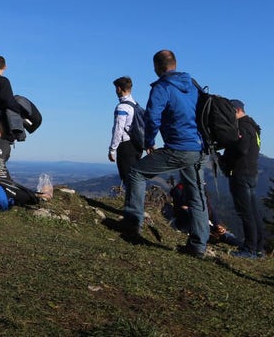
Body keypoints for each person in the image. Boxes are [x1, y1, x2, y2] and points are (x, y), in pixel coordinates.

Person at [121, 50, 210, 257]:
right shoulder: (193, 85)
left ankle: (132, 224)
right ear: (175, 64)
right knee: (196, 196)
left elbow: (153, 117)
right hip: (198, 149)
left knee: (136, 173)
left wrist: (149, 141)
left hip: (178, 147)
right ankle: (198, 246)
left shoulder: (162, 87)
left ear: (157, 67)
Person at [219, 99, 265, 258]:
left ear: (237, 110)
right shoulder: (253, 126)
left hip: (240, 173)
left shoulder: (243, 127)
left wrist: (226, 159)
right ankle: (259, 248)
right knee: (253, 212)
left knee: (245, 212)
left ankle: (249, 249)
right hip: (251, 173)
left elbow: (242, 149)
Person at [108, 76, 143, 189]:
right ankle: (136, 204)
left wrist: (112, 149)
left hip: (125, 145)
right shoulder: (136, 106)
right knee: (136, 176)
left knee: (128, 177)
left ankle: (132, 205)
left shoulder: (122, 107)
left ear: (119, 89)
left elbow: (118, 129)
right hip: (137, 145)